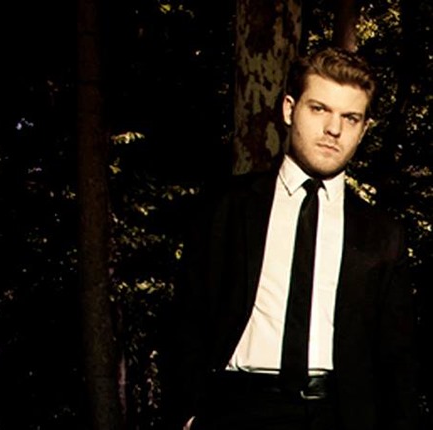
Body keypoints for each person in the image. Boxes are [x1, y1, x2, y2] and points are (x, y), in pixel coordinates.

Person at [159, 47, 419, 430]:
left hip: (339, 414)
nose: (333, 129)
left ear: (364, 129)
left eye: (350, 118)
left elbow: (397, 357)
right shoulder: (226, 207)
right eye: (319, 109)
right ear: (289, 109)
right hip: (236, 410)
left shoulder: (383, 234)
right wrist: (188, 413)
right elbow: (187, 317)